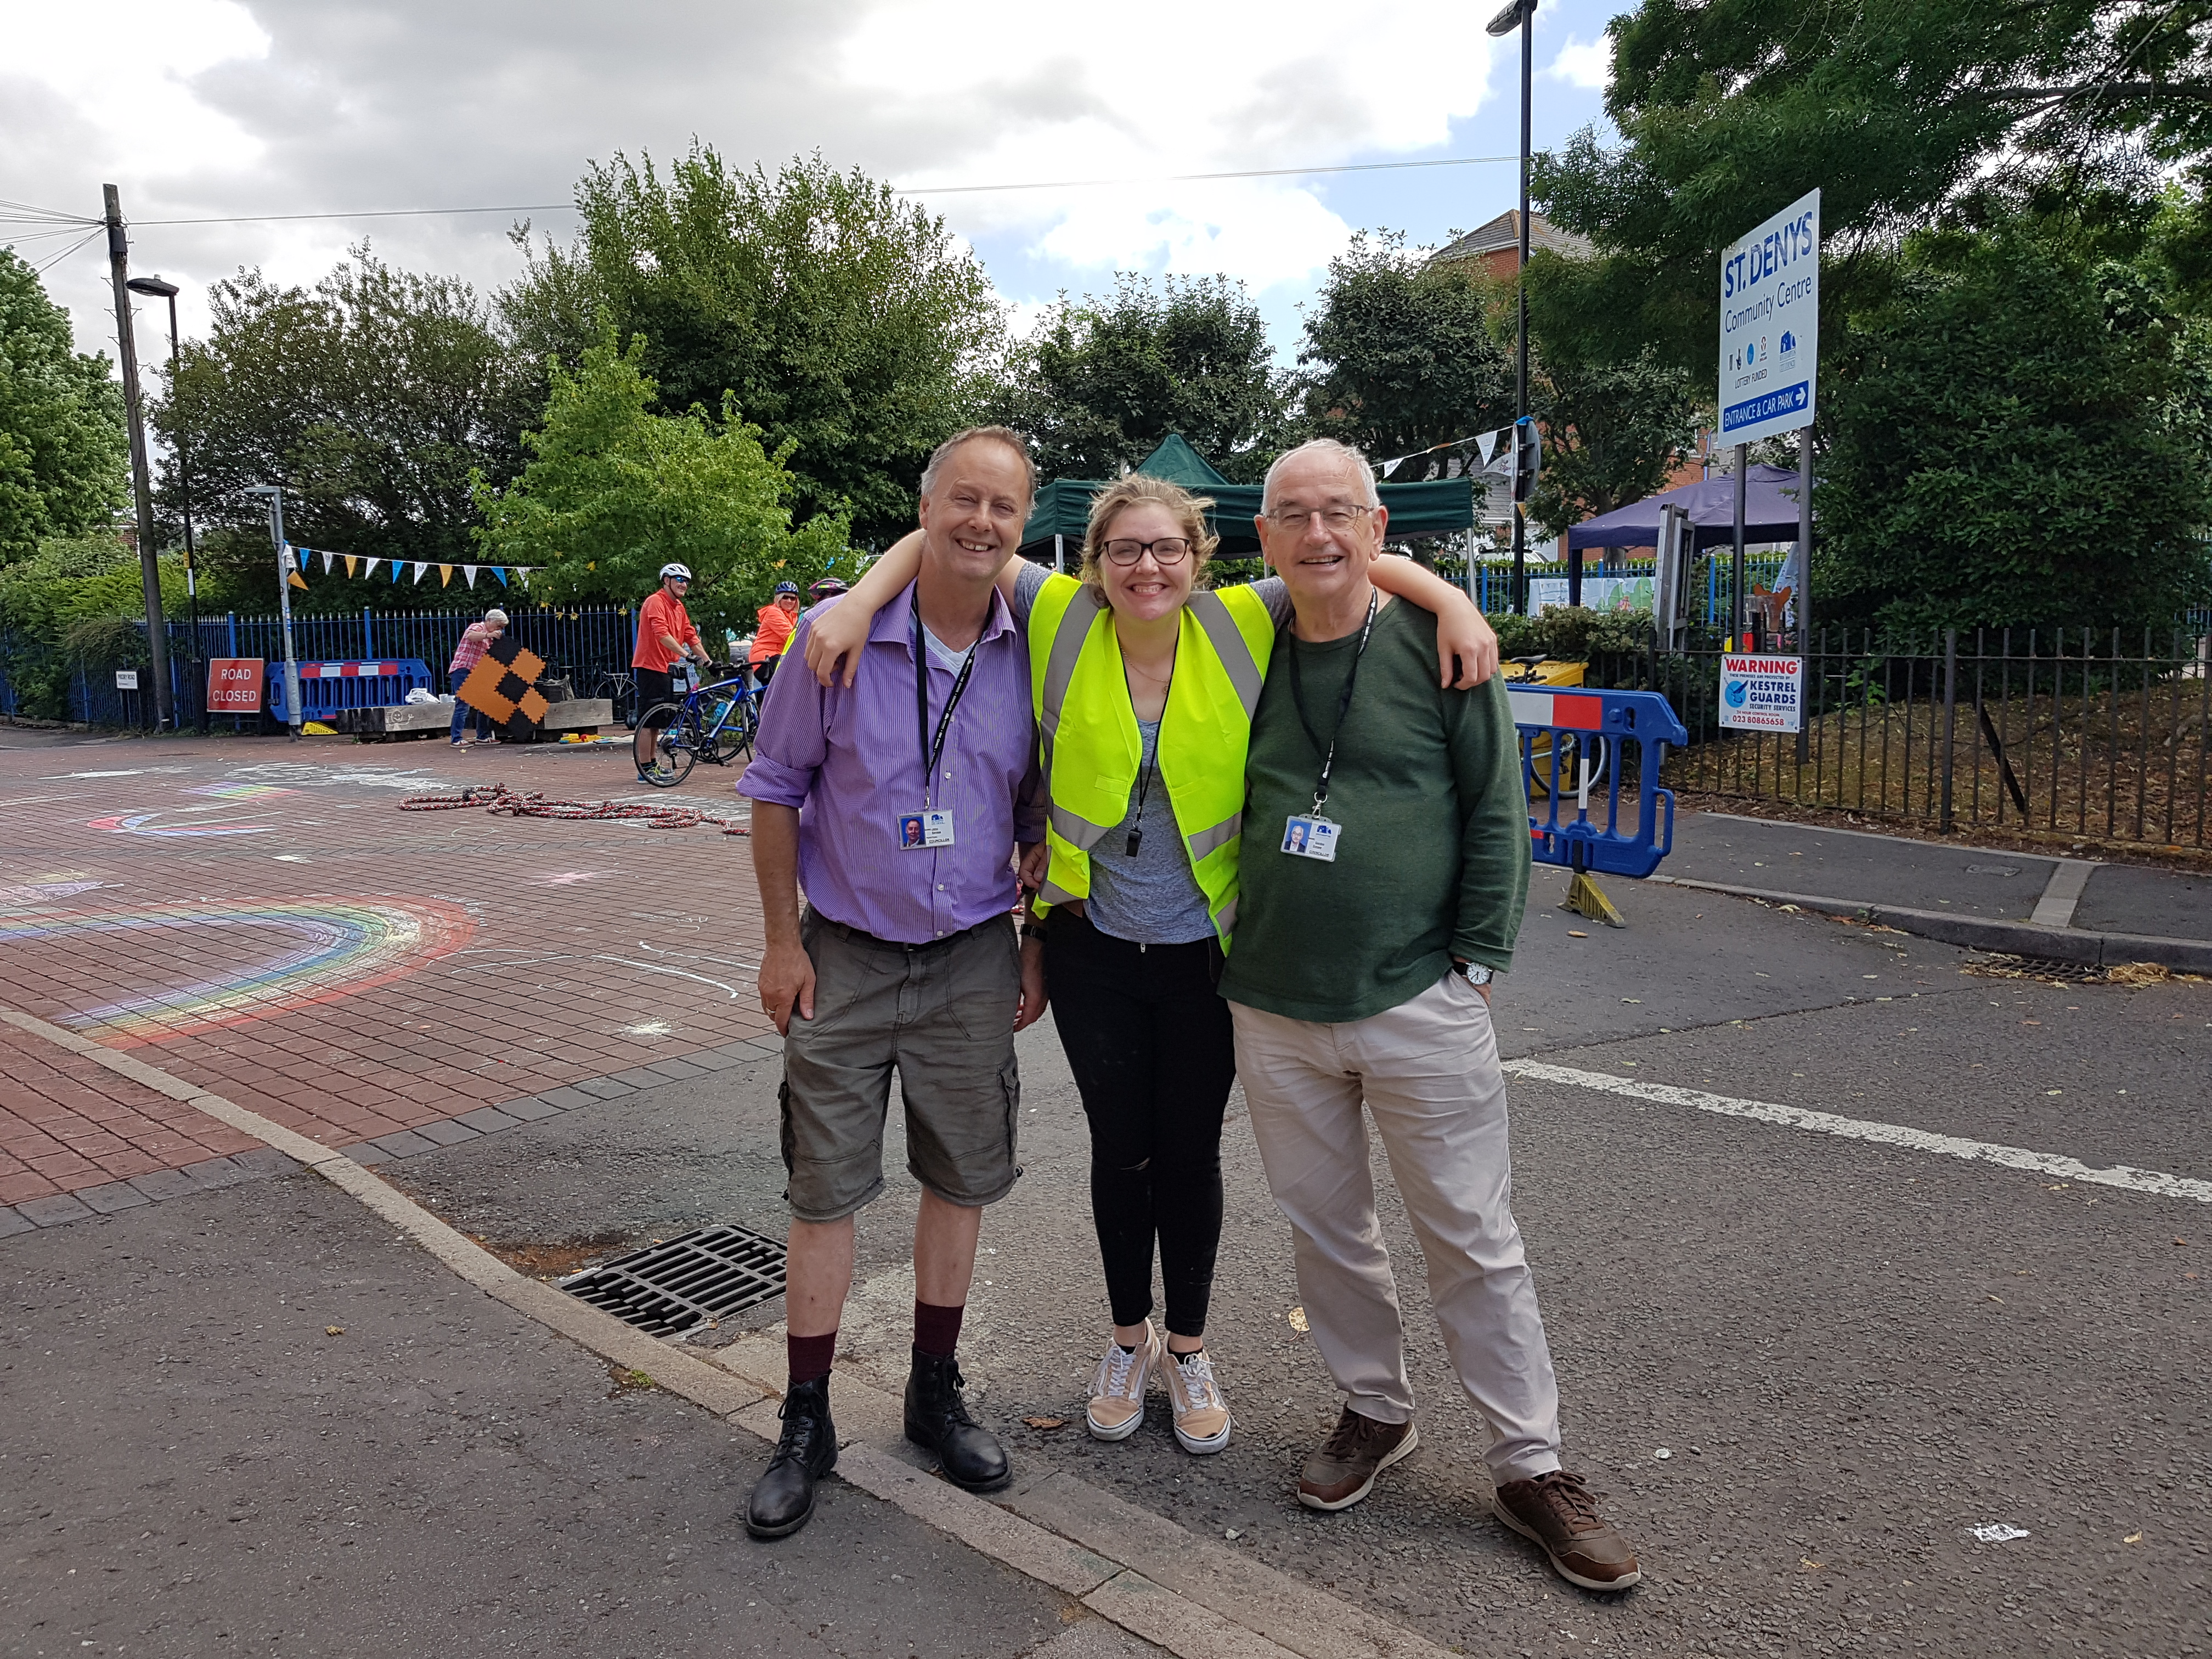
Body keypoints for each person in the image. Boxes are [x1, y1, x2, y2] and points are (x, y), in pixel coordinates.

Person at [805, 471, 1495, 1458]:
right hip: (1092, 948)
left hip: (1206, 952)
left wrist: (1454, 601)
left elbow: (1343, 556)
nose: (1147, 567)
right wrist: (858, 602)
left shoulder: (1238, 621)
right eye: (1124, 549)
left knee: (1189, 1153)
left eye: (1168, 547)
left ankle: (1189, 1348)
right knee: (1118, 1150)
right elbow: (949, 538)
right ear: (1095, 562)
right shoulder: (1060, 615)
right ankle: (1127, 1340)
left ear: (1197, 557)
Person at [1217, 438, 1640, 1592]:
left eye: (1339, 513)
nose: (1317, 534)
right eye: (1293, 515)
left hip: (1419, 991)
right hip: (1273, 997)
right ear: (1263, 537)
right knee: (1325, 1227)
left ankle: (1530, 1463)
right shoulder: (1239, 636)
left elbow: (1496, 805)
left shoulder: (1437, 644)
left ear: (1377, 526)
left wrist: (1477, 959)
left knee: (1470, 1234)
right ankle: (1374, 1408)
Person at [735, 426, 1048, 1542]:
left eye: (1002, 505)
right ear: (924, 509)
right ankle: (806, 1418)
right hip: (847, 955)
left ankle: (932, 1392)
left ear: (1024, 524)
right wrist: (782, 944)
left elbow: (1041, 802)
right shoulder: (835, 640)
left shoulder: (1037, 643)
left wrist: (1035, 937)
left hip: (972, 952)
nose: (980, 521)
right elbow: (773, 788)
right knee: (823, 1190)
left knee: (960, 1180)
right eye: (962, 498)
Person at [633, 562, 711, 782]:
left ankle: (652, 764)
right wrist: (687, 655)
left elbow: (690, 635)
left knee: (657, 721)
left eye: (686, 581)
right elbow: (662, 635)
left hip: (665, 668)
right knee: (647, 720)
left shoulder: (679, 607)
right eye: (679, 579)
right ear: (666, 581)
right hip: (649, 666)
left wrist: (708, 661)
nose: (683, 584)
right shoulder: (655, 602)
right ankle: (644, 769)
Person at [447, 608, 507, 744]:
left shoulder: (489, 639)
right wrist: (488, 635)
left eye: (502, 627)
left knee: (485, 703)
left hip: (476, 672)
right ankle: (456, 738)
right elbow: (471, 636)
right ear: (490, 621)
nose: (499, 629)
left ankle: (482, 736)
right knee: (463, 704)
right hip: (463, 669)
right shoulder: (478, 627)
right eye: (498, 626)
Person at [748, 581, 802, 689]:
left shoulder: (793, 615)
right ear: (778, 598)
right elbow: (790, 636)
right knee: (787, 684)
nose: (789, 601)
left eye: (793, 598)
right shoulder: (773, 612)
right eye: (785, 597)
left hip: (778, 655)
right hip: (765, 657)